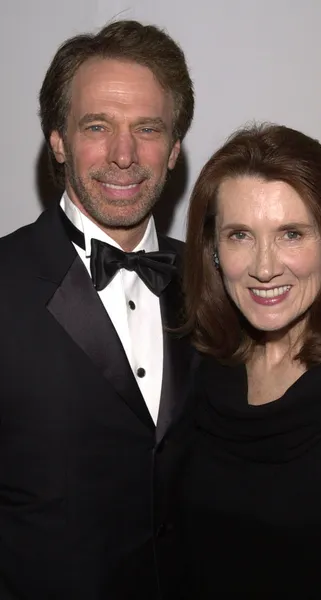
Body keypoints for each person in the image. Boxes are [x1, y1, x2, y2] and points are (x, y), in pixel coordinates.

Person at [0, 20, 196, 599]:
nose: (123, 154)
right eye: (96, 126)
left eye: (148, 128)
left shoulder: (220, 283)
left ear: (175, 148)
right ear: (58, 140)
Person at [176, 123, 321, 598]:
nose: (265, 266)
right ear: (213, 251)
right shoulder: (203, 367)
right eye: (240, 236)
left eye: (291, 234)